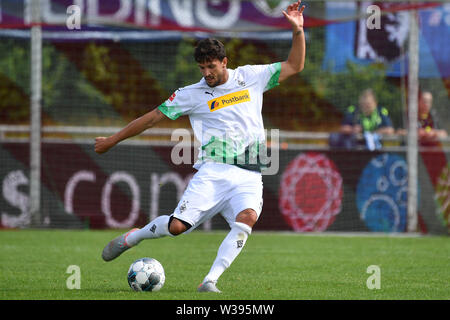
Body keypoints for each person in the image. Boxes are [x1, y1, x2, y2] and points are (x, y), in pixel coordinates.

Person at [95, 1, 306, 293]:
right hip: (214, 172)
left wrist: (297, 32)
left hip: (250, 174)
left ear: (224, 61)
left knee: (246, 220)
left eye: (211, 66)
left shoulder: (250, 77)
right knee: (177, 227)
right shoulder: (191, 94)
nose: (206, 72)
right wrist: (112, 140)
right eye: (202, 67)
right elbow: (152, 118)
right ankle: (135, 237)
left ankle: (210, 281)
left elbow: (295, 65)